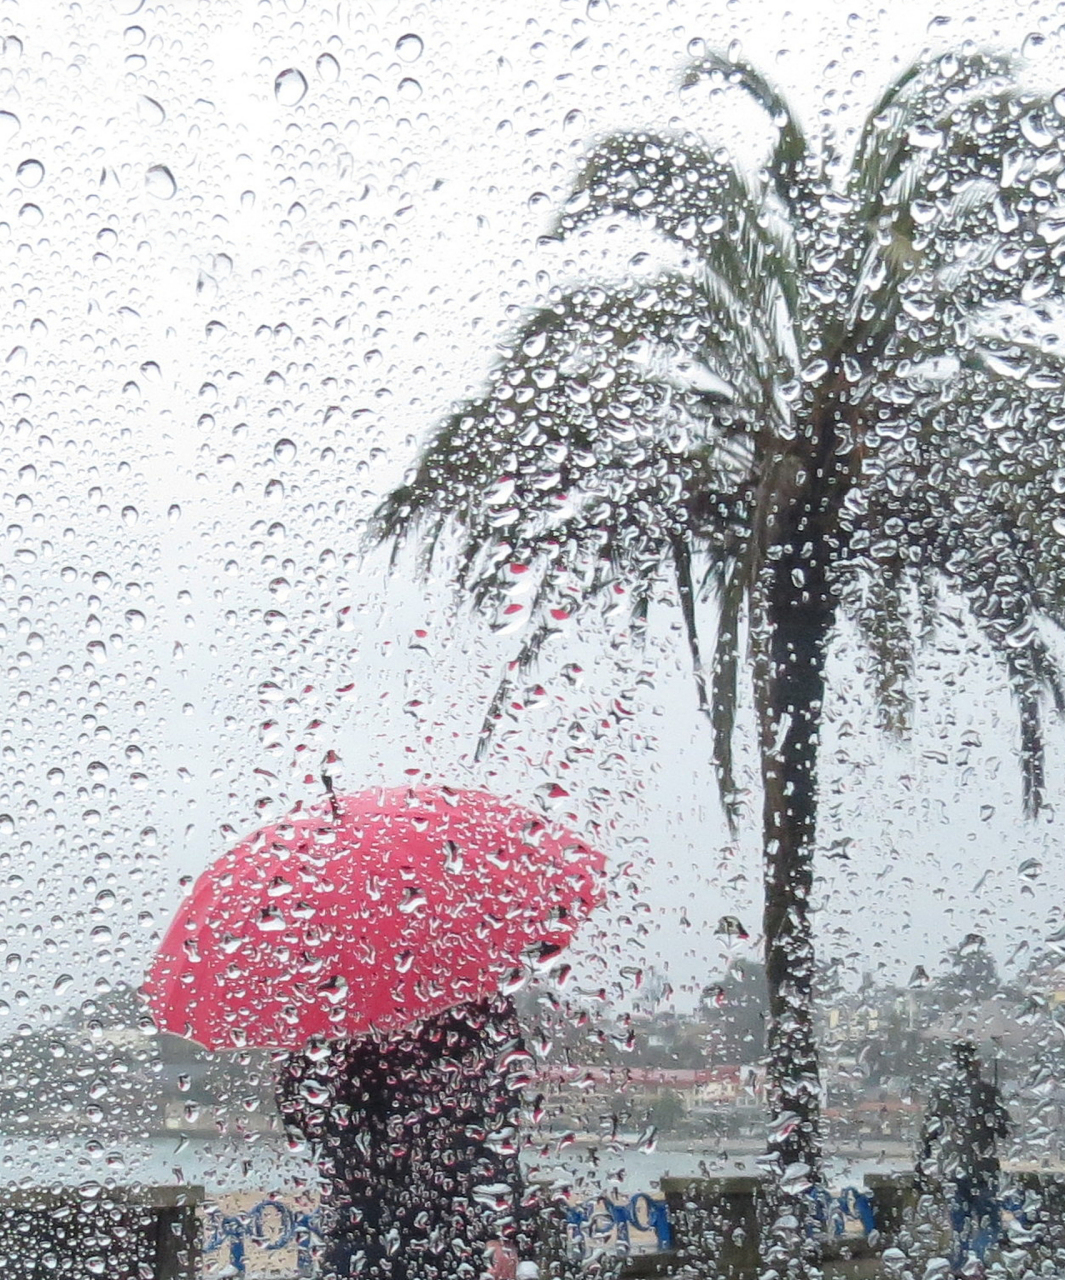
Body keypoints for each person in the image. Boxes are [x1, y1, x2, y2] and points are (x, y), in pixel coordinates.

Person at [277, 994, 538, 1280]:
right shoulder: (471, 990)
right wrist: (501, 1229)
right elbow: (497, 1121)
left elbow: (301, 1119)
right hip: (419, 1222)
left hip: (393, 1222)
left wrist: (499, 1229)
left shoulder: (326, 998)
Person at [918, 1041, 1009, 1275]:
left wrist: (922, 1161)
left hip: (953, 1169)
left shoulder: (942, 1092)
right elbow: (1003, 1130)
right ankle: (977, 1262)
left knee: (960, 1224)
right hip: (984, 1169)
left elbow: (929, 1132)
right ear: (975, 1063)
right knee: (990, 1222)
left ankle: (960, 1264)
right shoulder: (988, 1091)